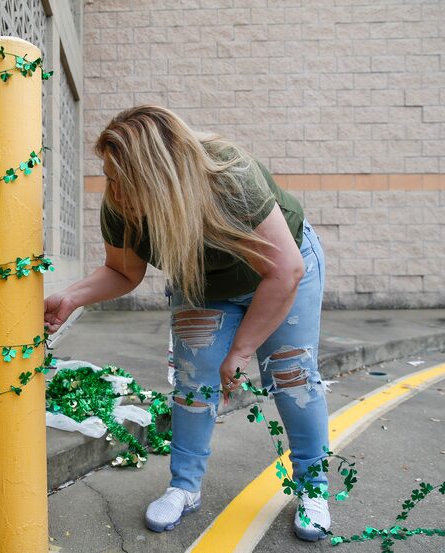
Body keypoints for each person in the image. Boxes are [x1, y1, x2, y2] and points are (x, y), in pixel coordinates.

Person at [44, 105, 331, 541]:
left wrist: (241, 352)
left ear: (157, 175)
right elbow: (124, 272)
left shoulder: (229, 176)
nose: (113, 191)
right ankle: (184, 486)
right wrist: (71, 296)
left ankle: (313, 488)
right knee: (192, 386)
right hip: (204, 285)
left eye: (122, 180)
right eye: (109, 176)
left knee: (293, 379)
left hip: (285, 272)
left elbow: (284, 270)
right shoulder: (120, 206)